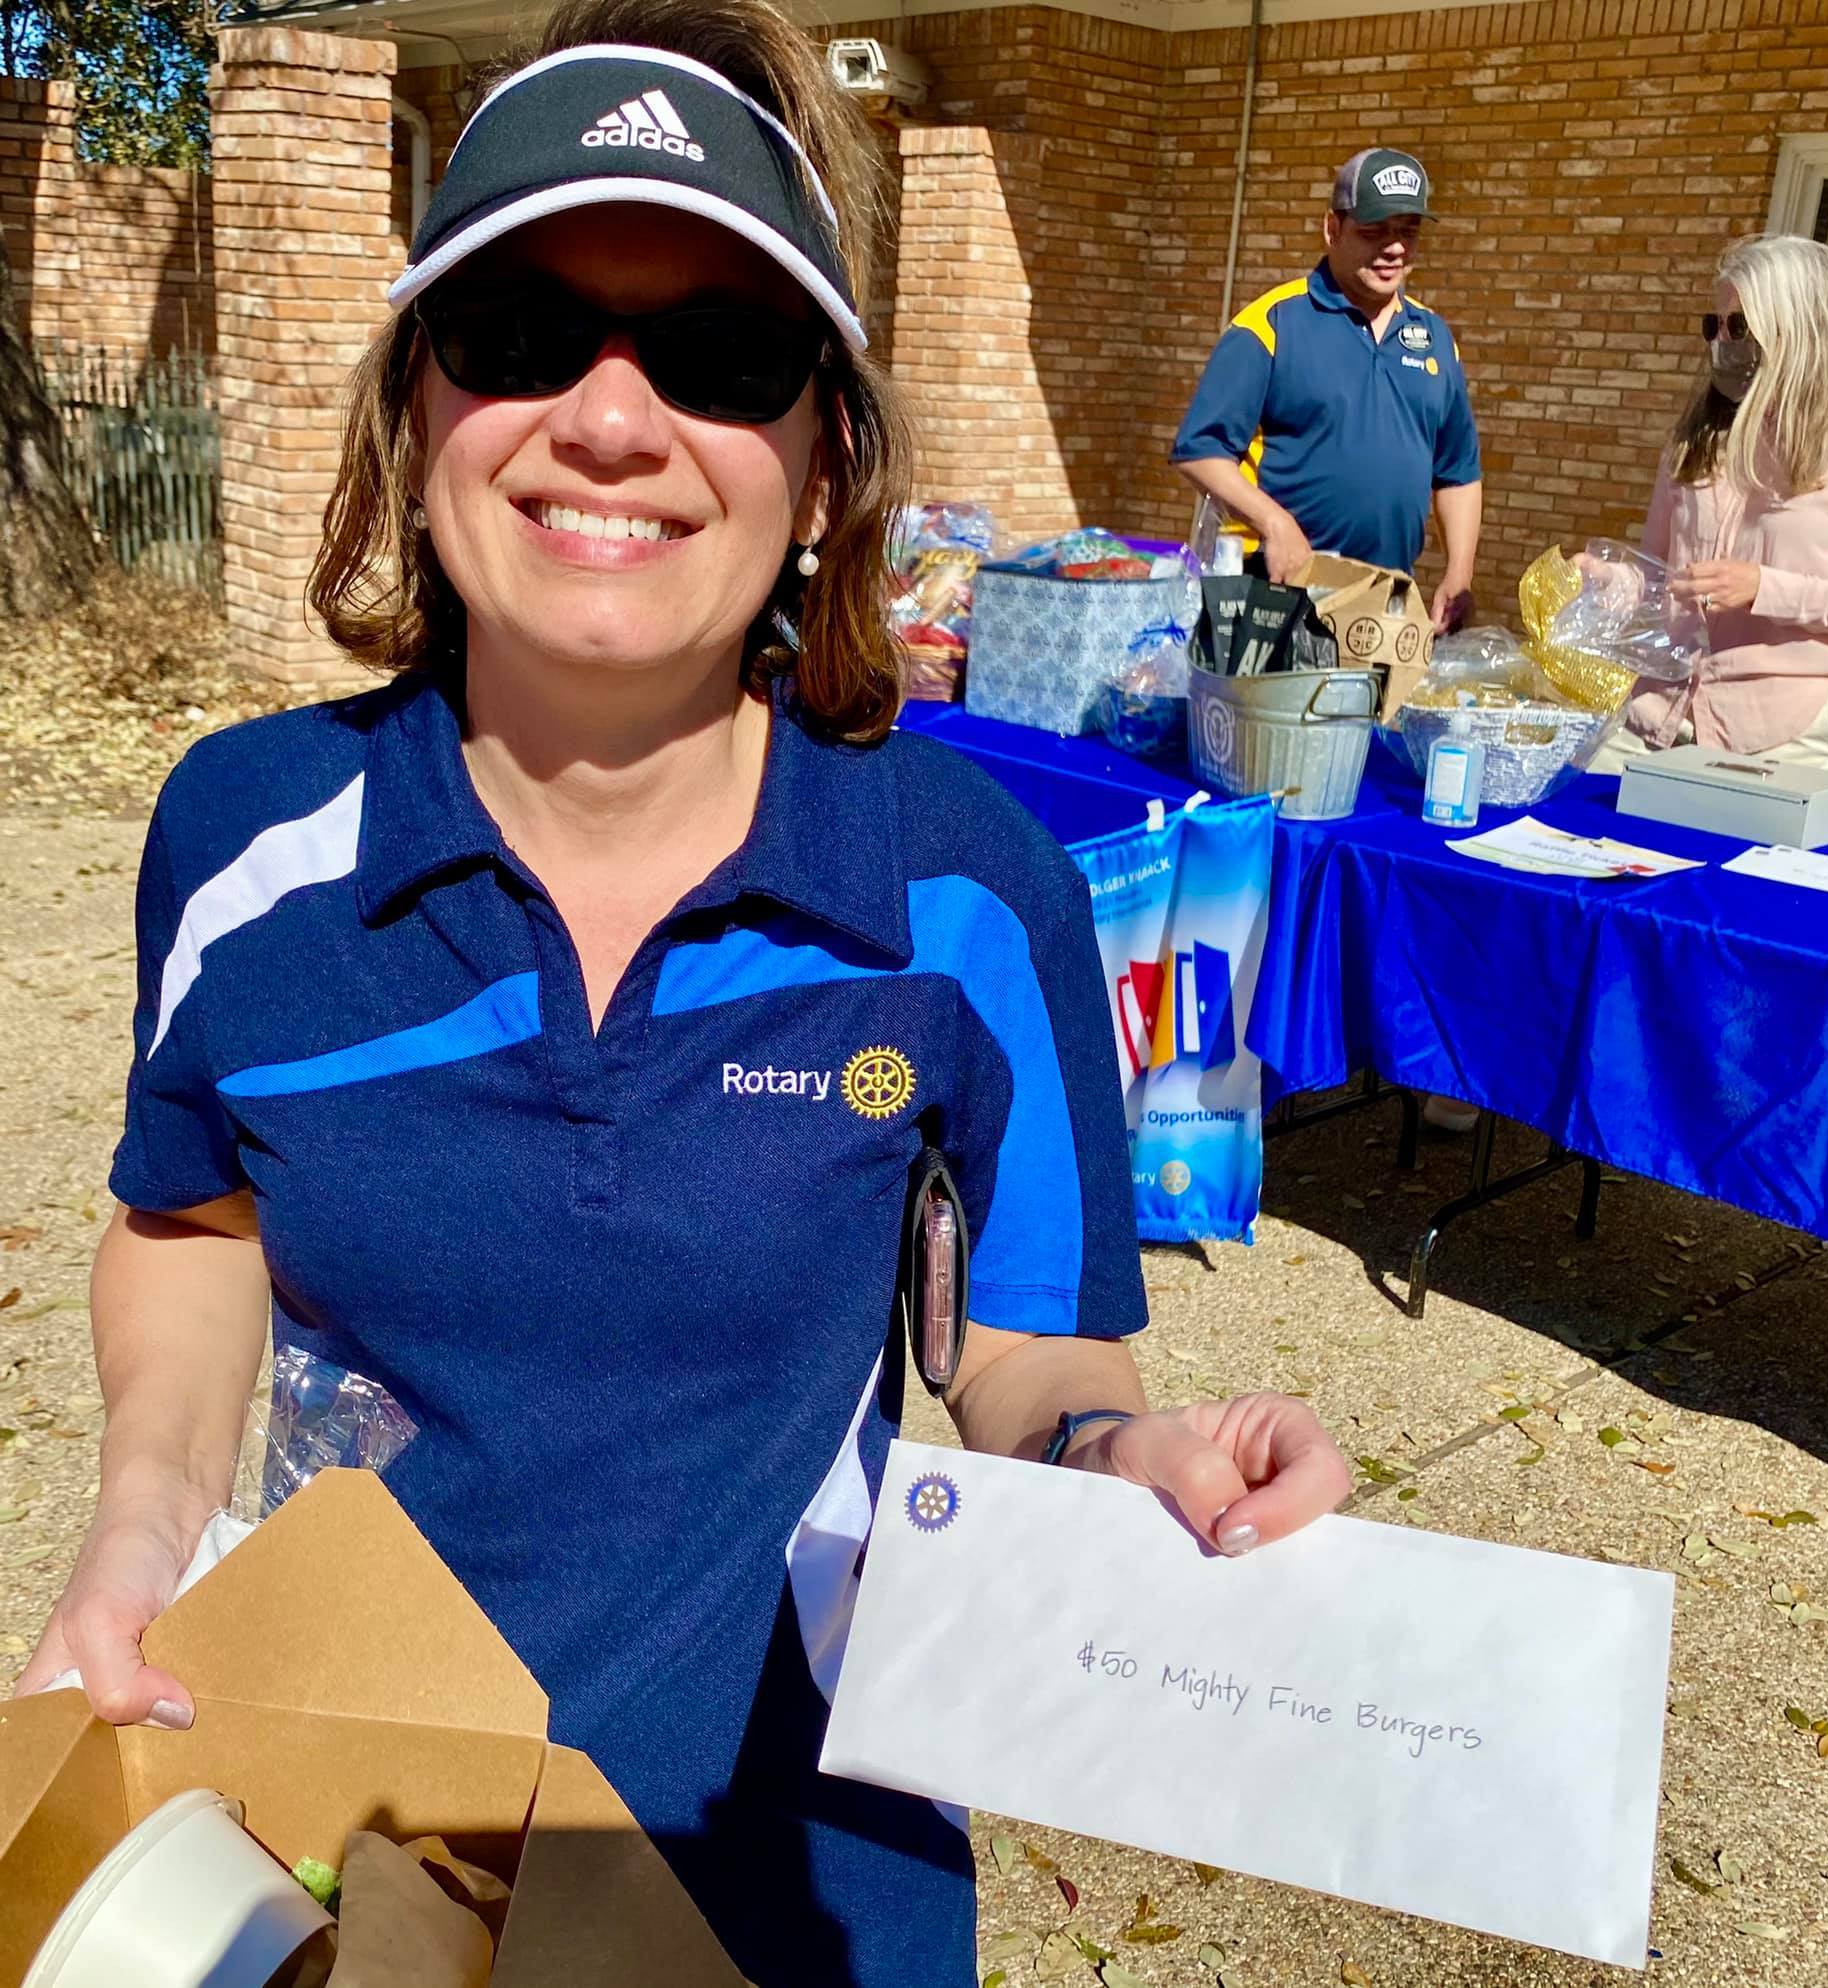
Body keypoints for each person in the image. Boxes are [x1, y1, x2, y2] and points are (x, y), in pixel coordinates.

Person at [13, 5, 1351, 1984]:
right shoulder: (242, 837)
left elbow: (1030, 1346)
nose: (611, 421)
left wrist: (1111, 1464)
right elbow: (192, 1219)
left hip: (791, 1874)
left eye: (722, 355)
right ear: (414, 415)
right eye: (520, 332)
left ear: (822, 467)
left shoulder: (968, 891)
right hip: (329, 1835)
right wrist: (142, 1515)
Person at [1591, 234, 1828, 769]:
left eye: (1740, 326)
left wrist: (1763, 588)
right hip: (1655, 714)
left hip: (1779, 730)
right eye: (1714, 326)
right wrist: (1608, 580)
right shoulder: (1697, 439)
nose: (1723, 342)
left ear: (1800, 327)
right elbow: (1659, 574)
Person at [1172, 147, 1483, 631]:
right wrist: (1275, 522)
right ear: (1332, 228)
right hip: (1274, 589)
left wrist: (1459, 573)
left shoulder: (1436, 339)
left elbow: (1457, 471)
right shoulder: (1272, 324)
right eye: (1374, 231)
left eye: (1408, 232)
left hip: (1385, 600)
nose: (1394, 248)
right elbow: (1199, 450)